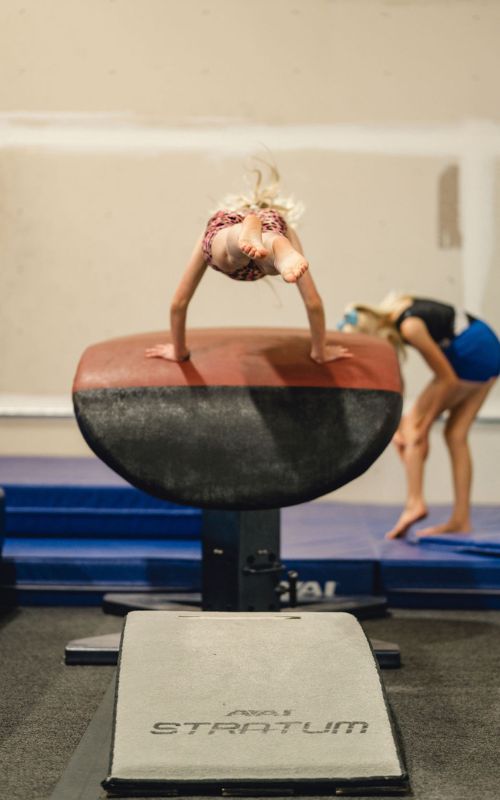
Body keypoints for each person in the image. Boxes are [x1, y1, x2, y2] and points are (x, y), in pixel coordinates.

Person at [145, 165, 351, 365]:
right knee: (269, 261)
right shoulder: (283, 225)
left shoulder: (220, 222)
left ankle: (238, 235)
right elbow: (313, 302)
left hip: (229, 230)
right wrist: (319, 351)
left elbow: (179, 303)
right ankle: (275, 246)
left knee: (226, 252)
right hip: (273, 230)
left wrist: (179, 350)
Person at [338, 294, 500, 538]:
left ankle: (415, 503)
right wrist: (394, 430)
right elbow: (398, 384)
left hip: (473, 352)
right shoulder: (397, 312)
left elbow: (447, 379)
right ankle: (461, 519)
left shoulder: (410, 327)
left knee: (413, 425)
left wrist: (422, 426)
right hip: (489, 349)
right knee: (455, 434)